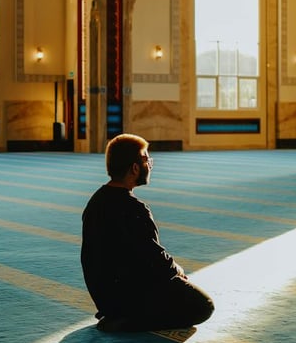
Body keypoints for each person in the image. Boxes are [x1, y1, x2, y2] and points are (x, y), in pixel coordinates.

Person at [80, 133, 214, 332]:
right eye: (146, 159)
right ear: (135, 168)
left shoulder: (95, 201)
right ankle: (127, 320)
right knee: (204, 306)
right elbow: (155, 260)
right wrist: (177, 271)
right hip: (129, 298)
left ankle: (120, 315)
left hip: (105, 297)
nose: (150, 165)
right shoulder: (134, 208)